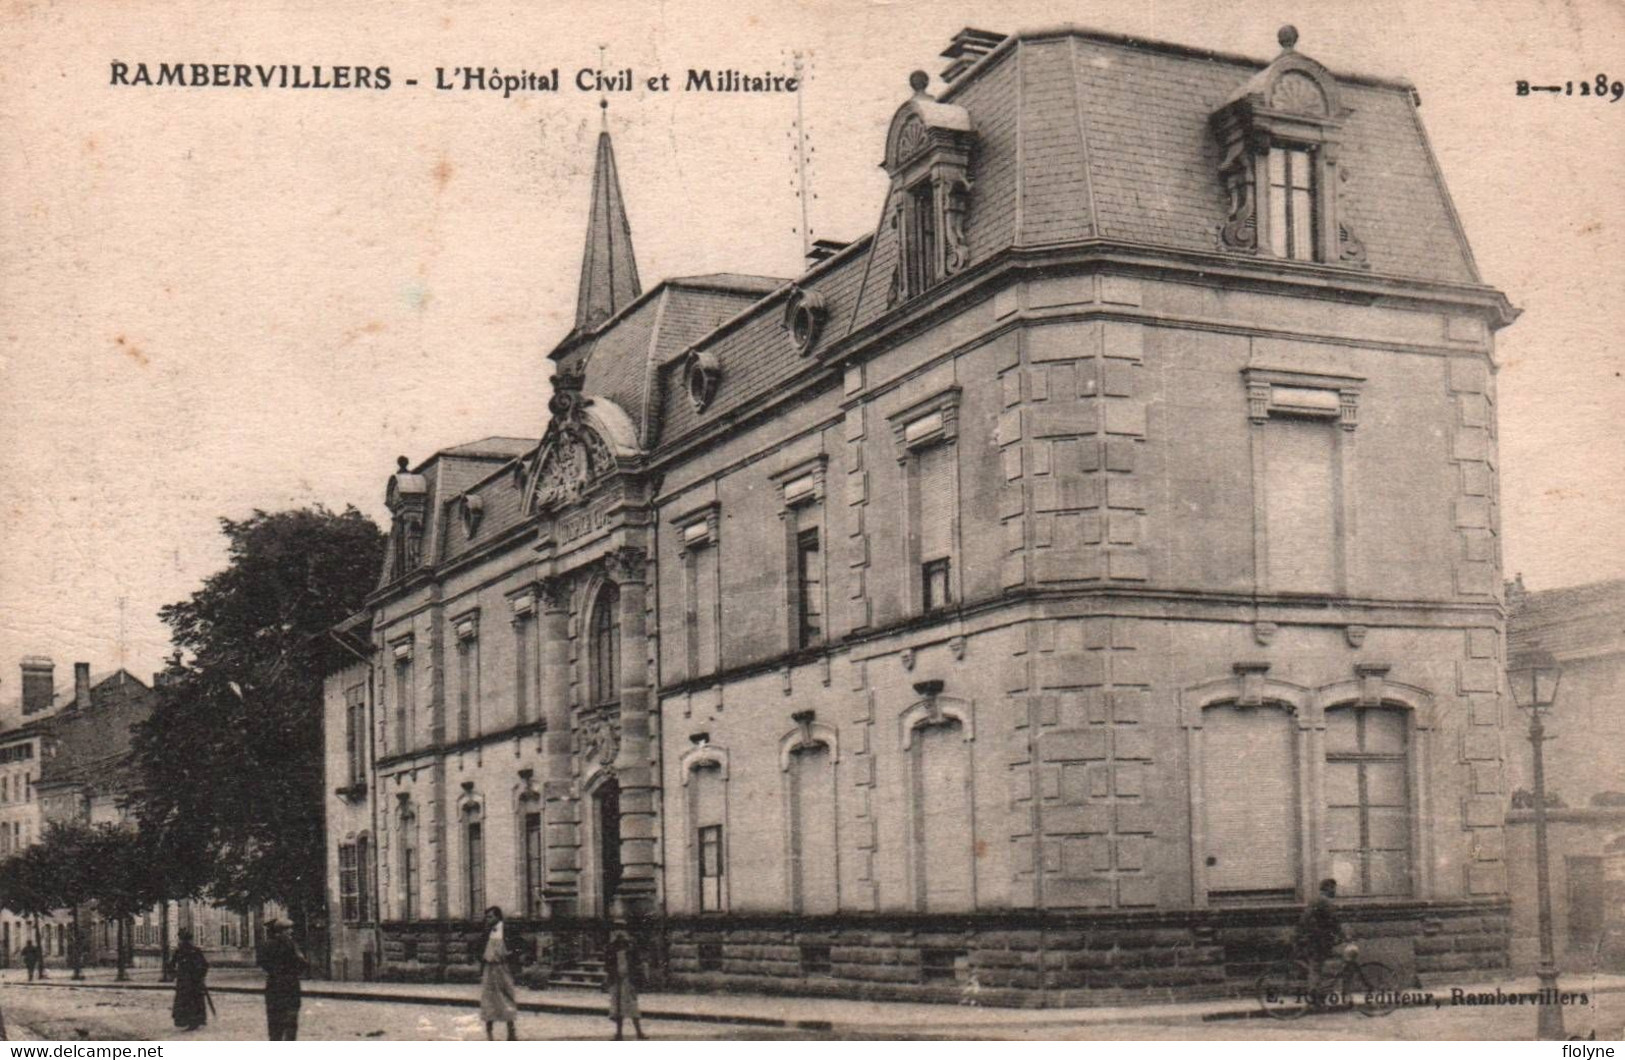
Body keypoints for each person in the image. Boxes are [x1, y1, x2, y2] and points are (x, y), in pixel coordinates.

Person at [1295, 877, 1349, 1002]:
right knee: (1322, 965)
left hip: (1311, 939)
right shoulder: (1325, 901)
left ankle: (1318, 993)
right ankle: (1316, 994)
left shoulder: (1316, 900)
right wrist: (1343, 935)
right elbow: (1334, 920)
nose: (1335, 891)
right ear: (1328, 888)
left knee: (1317, 966)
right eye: (1333, 888)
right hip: (1316, 940)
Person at [258, 919, 306, 1041]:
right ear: (282, 931)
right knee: (290, 1020)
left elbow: (261, 962)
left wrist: (273, 971)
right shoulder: (291, 944)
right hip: (290, 985)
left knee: (274, 1020)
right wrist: (294, 972)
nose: (291, 931)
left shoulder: (266, 945)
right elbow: (302, 963)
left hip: (273, 985)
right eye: (288, 929)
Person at [477, 906, 519, 1041]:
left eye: (490, 917)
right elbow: (479, 948)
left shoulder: (508, 930)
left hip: (503, 968)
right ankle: (489, 1033)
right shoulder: (486, 931)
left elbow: (520, 944)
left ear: (497, 917)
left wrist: (512, 955)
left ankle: (511, 1031)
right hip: (489, 969)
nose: (487, 919)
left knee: (507, 997)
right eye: (487, 917)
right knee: (488, 1000)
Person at [603, 925, 646, 1041]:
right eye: (616, 930)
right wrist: (611, 976)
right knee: (617, 1008)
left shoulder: (631, 947)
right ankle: (619, 1033)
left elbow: (638, 963)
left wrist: (637, 978)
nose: (619, 933)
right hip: (616, 980)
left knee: (632, 1005)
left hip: (629, 979)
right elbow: (607, 965)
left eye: (621, 930)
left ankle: (639, 1032)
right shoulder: (610, 948)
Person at [170, 928, 210, 1031]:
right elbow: (172, 965)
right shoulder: (181, 951)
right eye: (182, 940)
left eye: (183, 940)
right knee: (187, 1001)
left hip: (191, 981)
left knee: (191, 1001)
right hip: (187, 981)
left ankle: (193, 1021)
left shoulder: (193, 951)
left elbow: (204, 965)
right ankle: (186, 1020)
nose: (182, 942)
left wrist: (200, 975)